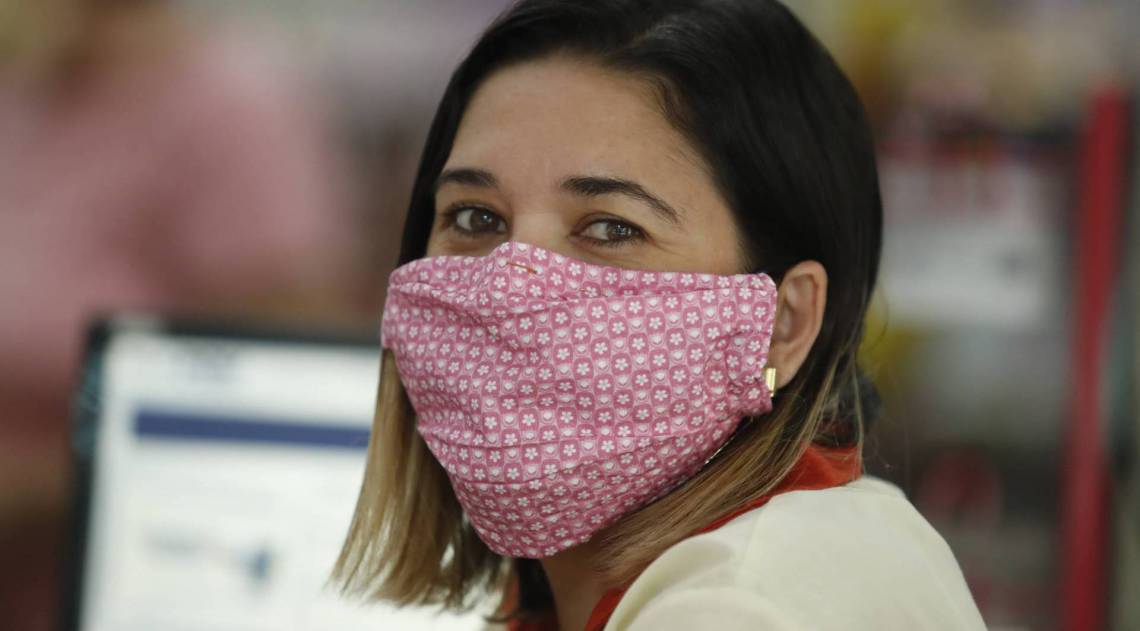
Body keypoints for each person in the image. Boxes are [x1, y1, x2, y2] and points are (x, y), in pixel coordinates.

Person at [333, 1, 985, 629]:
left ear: (784, 323)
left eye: (611, 227)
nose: (510, 287)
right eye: (475, 217)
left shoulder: (734, 610)